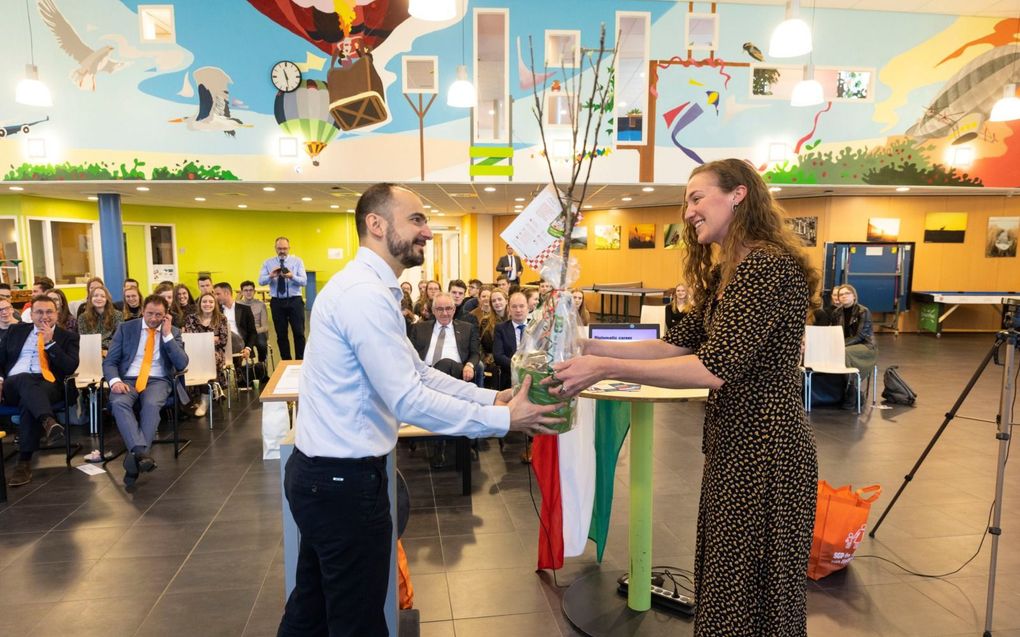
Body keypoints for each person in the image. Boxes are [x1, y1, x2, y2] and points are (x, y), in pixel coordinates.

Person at [277, 183, 561, 637]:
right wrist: (505, 420)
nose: (427, 230)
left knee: (310, 613)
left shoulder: (368, 288)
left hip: (326, 480)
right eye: (416, 219)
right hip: (342, 485)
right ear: (375, 224)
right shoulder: (363, 296)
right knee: (356, 621)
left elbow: (421, 374)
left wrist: (492, 398)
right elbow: (407, 398)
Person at [550, 158, 819, 636]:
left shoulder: (764, 267)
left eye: (697, 197)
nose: (688, 210)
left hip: (767, 451)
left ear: (738, 195)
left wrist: (604, 367)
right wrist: (589, 345)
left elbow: (712, 369)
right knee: (725, 578)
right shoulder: (729, 272)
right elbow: (678, 342)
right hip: (736, 446)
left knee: (751, 586)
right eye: (686, 201)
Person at [104, 295, 189, 487]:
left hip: (158, 380)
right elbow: (110, 361)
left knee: (151, 405)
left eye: (159, 315)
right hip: (127, 379)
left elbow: (182, 363)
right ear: (143, 310)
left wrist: (166, 336)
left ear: (166, 315)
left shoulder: (172, 332)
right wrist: (115, 381)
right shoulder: (126, 329)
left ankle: (134, 459)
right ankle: (141, 455)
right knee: (119, 402)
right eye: (150, 313)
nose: (153, 318)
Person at [2, 295, 81, 487]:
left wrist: (50, 343)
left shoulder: (68, 337)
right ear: (31, 314)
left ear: (56, 314)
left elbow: (70, 366)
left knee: (28, 400)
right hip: (13, 384)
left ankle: (24, 462)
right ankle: (47, 420)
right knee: (24, 379)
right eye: (39, 312)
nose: (44, 316)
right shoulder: (16, 330)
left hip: (50, 384)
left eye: (49, 312)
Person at [259, 236, 308, 360]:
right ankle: (286, 361)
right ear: (275, 248)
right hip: (277, 302)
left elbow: (304, 281)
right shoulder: (268, 263)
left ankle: (300, 361)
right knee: (281, 334)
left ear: (289, 248)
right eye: (279, 248)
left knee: (299, 333)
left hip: (295, 300)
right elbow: (261, 281)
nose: (282, 251)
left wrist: (292, 276)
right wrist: (270, 276)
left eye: (285, 248)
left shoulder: (297, 261)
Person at [183, 292, 229, 417]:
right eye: (204, 301)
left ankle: (204, 399)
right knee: (184, 362)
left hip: (215, 352)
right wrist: (212, 338)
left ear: (215, 304)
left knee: (210, 359)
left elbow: (223, 340)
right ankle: (191, 399)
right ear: (200, 303)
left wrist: (205, 339)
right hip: (194, 352)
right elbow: (189, 338)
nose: (207, 304)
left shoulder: (221, 318)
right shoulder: (191, 318)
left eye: (210, 302)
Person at [833, 283, 878, 408]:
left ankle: (851, 391)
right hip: (845, 346)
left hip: (865, 346)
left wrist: (840, 346)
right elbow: (834, 332)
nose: (844, 296)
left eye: (847, 293)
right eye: (841, 294)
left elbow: (861, 336)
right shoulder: (836, 313)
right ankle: (849, 392)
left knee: (845, 353)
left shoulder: (863, 311)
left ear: (854, 296)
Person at [214, 282, 264, 385]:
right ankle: (221, 380)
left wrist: (248, 348)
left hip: (240, 343)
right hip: (221, 344)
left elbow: (252, 332)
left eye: (218, 294)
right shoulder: (216, 311)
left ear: (227, 293)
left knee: (228, 332)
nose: (215, 297)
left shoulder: (244, 309)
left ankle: (234, 375)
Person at [492, 291, 529, 391]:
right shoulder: (501, 328)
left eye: (521, 306)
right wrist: (517, 367)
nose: (518, 310)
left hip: (532, 374)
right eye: (514, 307)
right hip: (509, 373)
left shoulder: (536, 328)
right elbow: (498, 355)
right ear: (509, 309)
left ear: (528, 308)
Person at [76, 285, 124, 353]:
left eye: (103, 296)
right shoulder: (82, 317)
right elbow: (84, 340)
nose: (99, 298)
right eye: (95, 296)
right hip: (91, 352)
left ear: (107, 299)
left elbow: (119, 339)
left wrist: (103, 348)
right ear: (90, 299)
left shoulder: (118, 315)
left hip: (112, 351)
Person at [238, 280, 271, 366]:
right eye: (245, 290)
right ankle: (240, 371)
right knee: (237, 346)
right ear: (241, 292)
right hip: (243, 333)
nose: (248, 292)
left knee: (262, 345)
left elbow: (265, 327)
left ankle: (262, 366)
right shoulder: (238, 304)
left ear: (254, 292)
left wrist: (253, 332)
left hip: (257, 331)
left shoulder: (261, 305)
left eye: (251, 290)